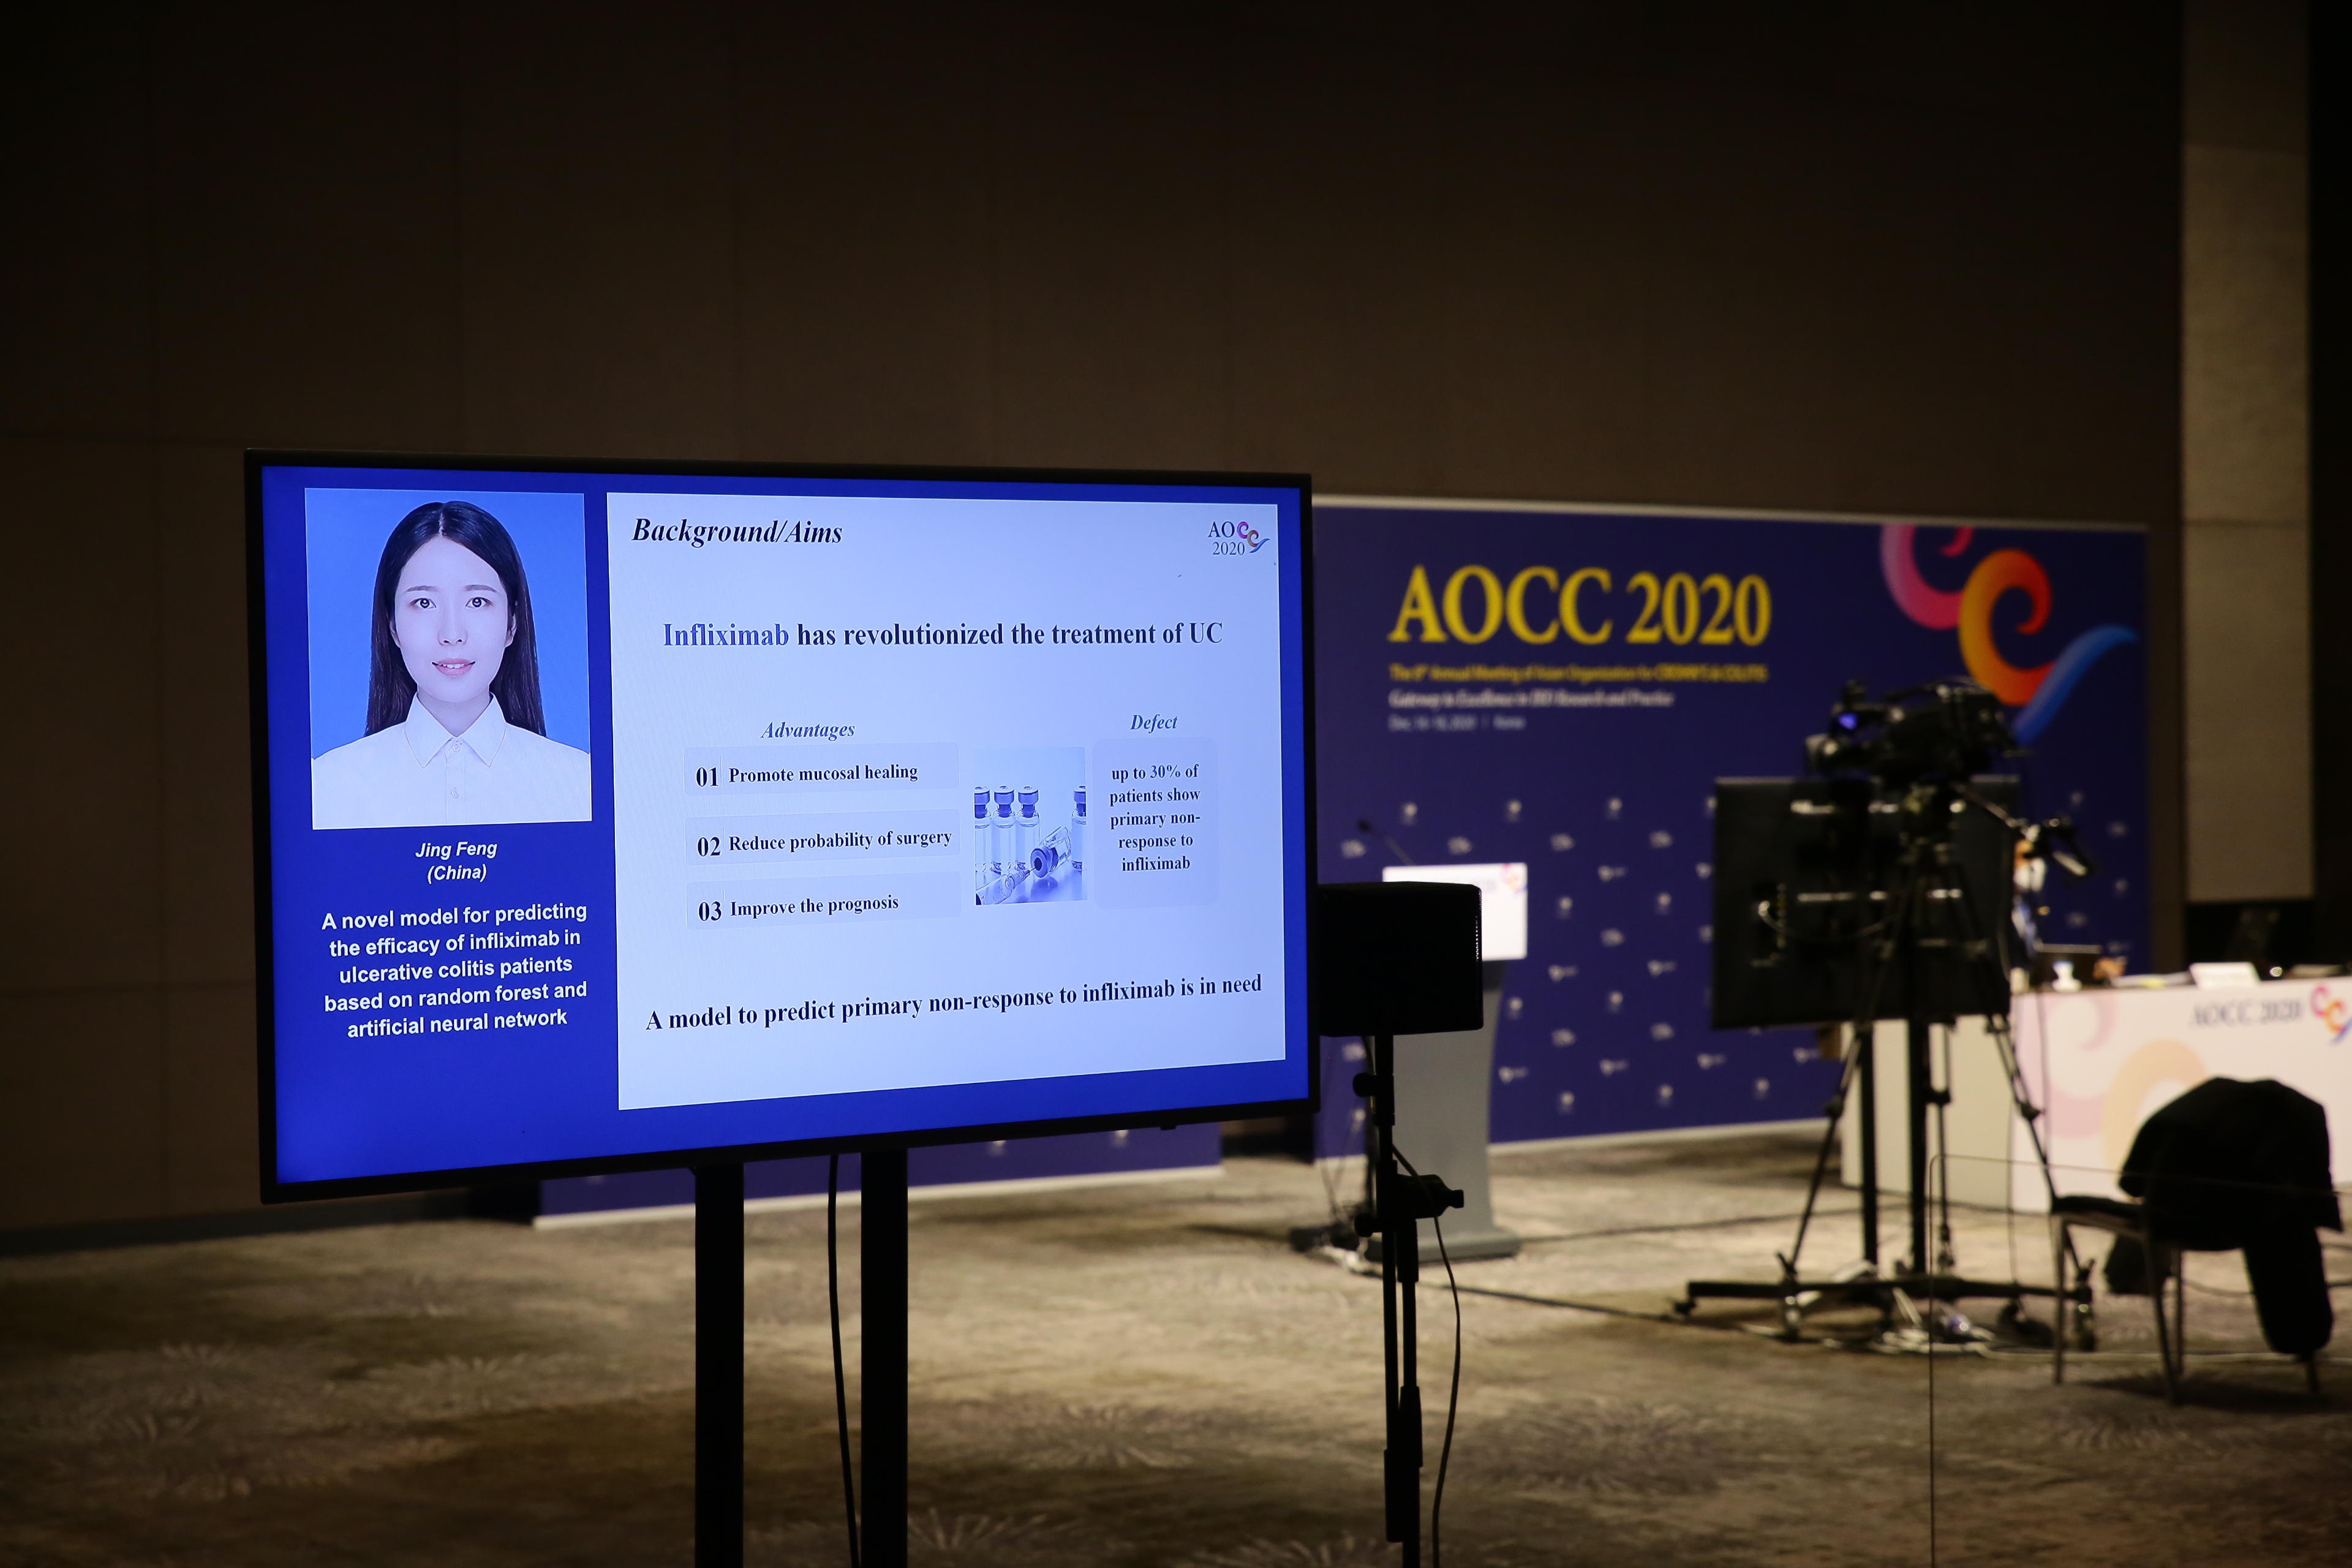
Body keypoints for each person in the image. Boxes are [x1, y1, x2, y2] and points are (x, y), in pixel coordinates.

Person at [312, 500, 590, 829]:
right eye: (424, 603)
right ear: (392, 625)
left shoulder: (579, 783)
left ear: (512, 622)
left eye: (477, 601)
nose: (452, 634)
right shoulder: (329, 786)